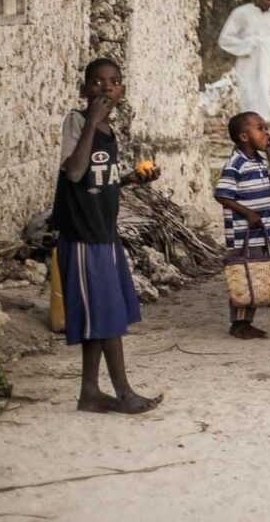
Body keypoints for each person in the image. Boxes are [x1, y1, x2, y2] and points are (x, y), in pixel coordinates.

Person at [54, 57, 161, 413]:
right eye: (98, 83)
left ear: (122, 90)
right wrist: (92, 124)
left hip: (103, 233)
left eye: (114, 82)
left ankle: (90, 393)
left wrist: (131, 179)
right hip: (84, 236)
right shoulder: (77, 123)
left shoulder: (109, 131)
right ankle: (124, 392)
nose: (106, 88)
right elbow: (74, 173)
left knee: (103, 315)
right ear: (85, 89)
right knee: (108, 316)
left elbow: (98, 177)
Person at [216, 110, 270, 339]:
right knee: (242, 276)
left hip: (259, 231)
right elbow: (222, 195)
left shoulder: (257, 160)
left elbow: (268, 188)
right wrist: (248, 213)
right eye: (260, 128)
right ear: (244, 137)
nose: (266, 133)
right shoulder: (236, 162)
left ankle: (246, 321)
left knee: (253, 275)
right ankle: (238, 323)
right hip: (243, 232)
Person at [218, 0, 270, 122]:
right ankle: (247, 121)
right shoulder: (242, 13)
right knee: (247, 91)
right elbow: (224, 39)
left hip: (267, 61)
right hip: (247, 61)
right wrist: (249, 44)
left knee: (263, 88)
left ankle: (265, 119)